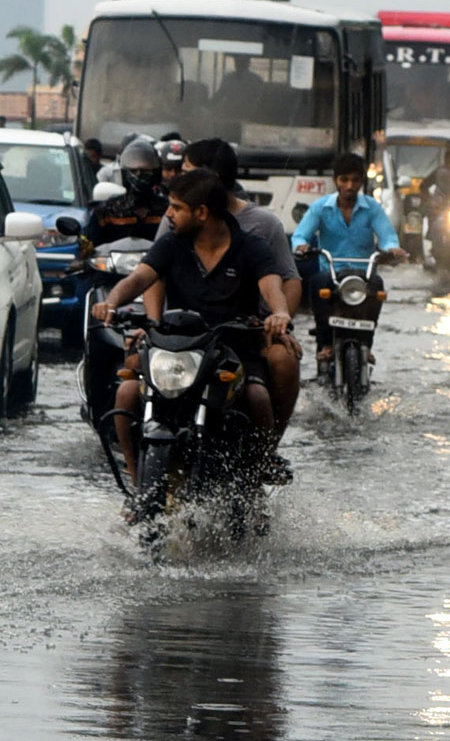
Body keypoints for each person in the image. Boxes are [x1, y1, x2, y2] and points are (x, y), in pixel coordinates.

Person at [91, 169, 291, 488]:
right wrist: (111, 303)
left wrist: (279, 312)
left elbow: (272, 287)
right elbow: (139, 279)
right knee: (126, 392)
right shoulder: (172, 244)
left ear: (201, 212)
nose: (168, 214)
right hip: (177, 348)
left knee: (257, 397)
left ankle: (257, 476)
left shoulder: (252, 247)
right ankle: (135, 481)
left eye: (176, 207)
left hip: (232, 349)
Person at [148, 137, 301, 481]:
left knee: (280, 364)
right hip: (184, 335)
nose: (179, 182)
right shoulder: (177, 222)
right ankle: (141, 481)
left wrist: (279, 322)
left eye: (188, 172)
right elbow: (150, 273)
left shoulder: (261, 229)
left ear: (209, 183)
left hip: (246, 333)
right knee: (129, 380)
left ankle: (263, 458)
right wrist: (153, 324)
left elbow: (286, 281)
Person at [292, 153, 406, 365]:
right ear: (336, 180)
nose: (349, 186)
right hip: (331, 274)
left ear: (362, 181)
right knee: (316, 284)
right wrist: (301, 245)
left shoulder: (372, 207)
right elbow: (300, 235)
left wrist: (392, 249)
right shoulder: (320, 207)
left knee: (377, 285)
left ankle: (367, 345)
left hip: (363, 274)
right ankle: (326, 344)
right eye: (344, 180)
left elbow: (388, 236)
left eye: (355, 180)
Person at [85, 138, 169, 245]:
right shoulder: (107, 211)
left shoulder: (167, 211)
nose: (138, 175)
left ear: (156, 173)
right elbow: (91, 250)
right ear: (124, 174)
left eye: (145, 171)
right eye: (133, 171)